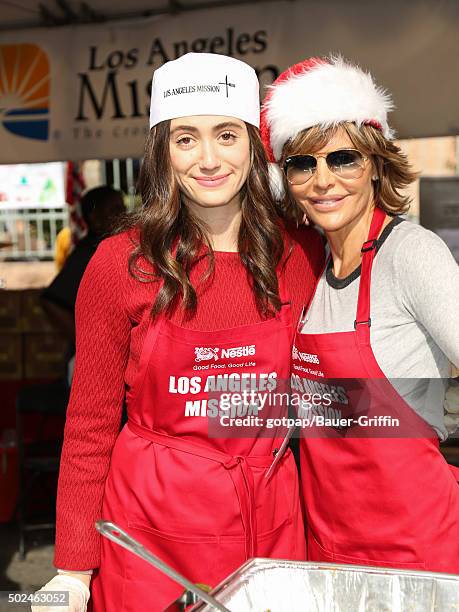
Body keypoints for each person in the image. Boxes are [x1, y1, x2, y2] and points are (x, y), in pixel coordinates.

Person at [33, 53, 324, 612]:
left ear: (253, 145)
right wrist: (72, 569)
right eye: (186, 138)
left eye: (226, 135)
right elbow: (90, 426)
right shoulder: (120, 262)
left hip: (269, 528)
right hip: (150, 534)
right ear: (161, 150)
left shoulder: (300, 254)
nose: (209, 159)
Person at [260, 56, 459, 574]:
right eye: (304, 164)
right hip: (328, 549)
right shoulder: (311, 269)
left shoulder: (412, 253)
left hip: (417, 555)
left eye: (342, 159)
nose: (323, 180)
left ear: (374, 163)